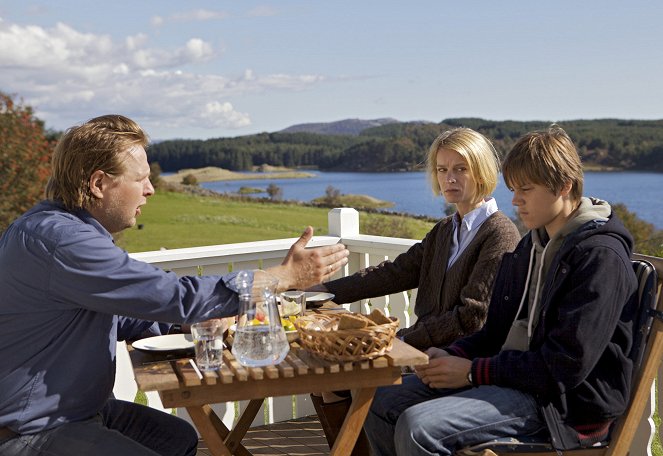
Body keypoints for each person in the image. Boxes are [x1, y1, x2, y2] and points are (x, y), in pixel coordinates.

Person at [0, 114, 349, 456]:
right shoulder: (62, 242)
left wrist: (185, 322)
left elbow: (121, 312)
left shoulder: (61, 231)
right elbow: (175, 296)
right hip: (35, 428)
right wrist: (283, 277)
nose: (150, 190)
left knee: (178, 438)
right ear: (98, 184)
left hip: (76, 410)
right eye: (140, 179)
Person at [363, 125, 639, 455]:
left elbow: (566, 366)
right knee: (380, 398)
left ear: (564, 186)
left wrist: (472, 372)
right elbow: (494, 332)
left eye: (526, 189)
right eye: (513, 188)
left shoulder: (599, 258)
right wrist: (455, 354)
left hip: (563, 407)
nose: (515, 200)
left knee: (420, 428)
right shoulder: (531, 247)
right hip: (514, 380)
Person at [308, 127, 521, 452]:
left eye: (460, 169)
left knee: (362, 388)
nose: (450, 178)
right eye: (442, 169)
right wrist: (325, 291)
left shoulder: (500, 234)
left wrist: (403, 341)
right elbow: (394, 273)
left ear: (481, 170)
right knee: (328, 383)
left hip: (456, 359)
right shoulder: (445, 230)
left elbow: (472, 318)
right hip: (421, 347)